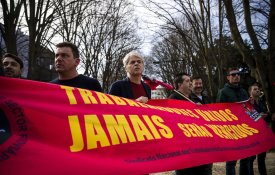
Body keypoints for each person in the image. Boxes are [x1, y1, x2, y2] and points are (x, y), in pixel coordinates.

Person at [169, 73, 211, 175]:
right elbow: (172, 121)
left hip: (200, 146)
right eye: (187, 81)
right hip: (184, 149)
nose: (191, 84)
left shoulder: (193, 98)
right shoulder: (173, 98)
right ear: (179, 84)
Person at [216, 67, 249, 175]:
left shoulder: (243, 91)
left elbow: (248, 108)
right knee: (231, 161)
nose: (236, 76)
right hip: (231, 130)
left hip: (245, 129)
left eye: (238, 74)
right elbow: (219, 112)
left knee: (246, 158)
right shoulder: (223, 92)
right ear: (228, 77)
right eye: (233, 75)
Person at [189, 75, 213, 175]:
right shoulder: (188, 98)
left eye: (200, 83)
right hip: (196, 138)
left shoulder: (207, 98)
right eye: (196, 84)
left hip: (208, 137)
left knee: (208, 167)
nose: (199, 86)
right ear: (191, 85)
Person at [248, 83, 268, 175]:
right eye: (255, 89)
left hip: (262, 133)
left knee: (262, 158)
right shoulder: (248, 104)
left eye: (258, 89)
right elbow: (247, 117)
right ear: (250, 92)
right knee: (251, 158)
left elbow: (266, 114)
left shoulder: (262, 102)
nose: (257, 90)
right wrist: (258, 116)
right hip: (252, 134)